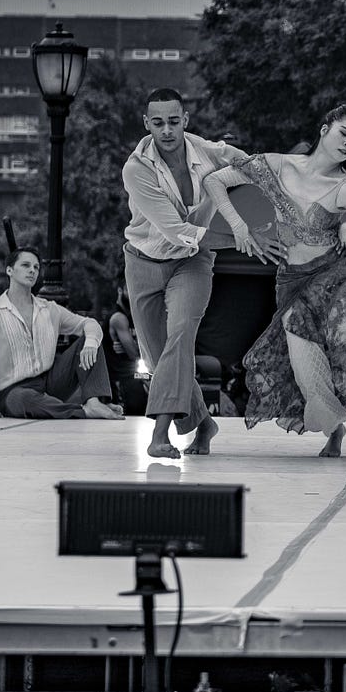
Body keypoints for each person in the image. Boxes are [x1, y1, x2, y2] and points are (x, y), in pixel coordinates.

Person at [202, 104, 346, 458]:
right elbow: (215, 181)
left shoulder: (345, 188)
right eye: (344, 133)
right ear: (325, 128)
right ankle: (336, 429)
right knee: (306, 369)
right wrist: (240, 228)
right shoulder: (277, 165)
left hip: (339, 277)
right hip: (293, 283)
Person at [122, 87, 254, 460]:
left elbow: (253, 167)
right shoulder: (136, 169)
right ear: (147, 124)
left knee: (180, 335)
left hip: (194, 261)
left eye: (174, 122)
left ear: (186, 121)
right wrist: (244, 238)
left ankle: (160, 435)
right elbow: (177, 230)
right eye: (158, 123)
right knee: (159, 353)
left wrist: (268, 212)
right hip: (143, 260)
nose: (167, 130)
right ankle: (204, 423)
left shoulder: (209, 152)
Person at [0, 247, 120, 421]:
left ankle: (94, 402)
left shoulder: (50, 309)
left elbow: (90, 323)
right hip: (13, 392)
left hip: (51, 382)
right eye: (26, 265)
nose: (32, 270)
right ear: (9, 270)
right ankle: (83, 411)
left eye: (36, 267)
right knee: (26, 399)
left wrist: (90, 344)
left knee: (90, 337)